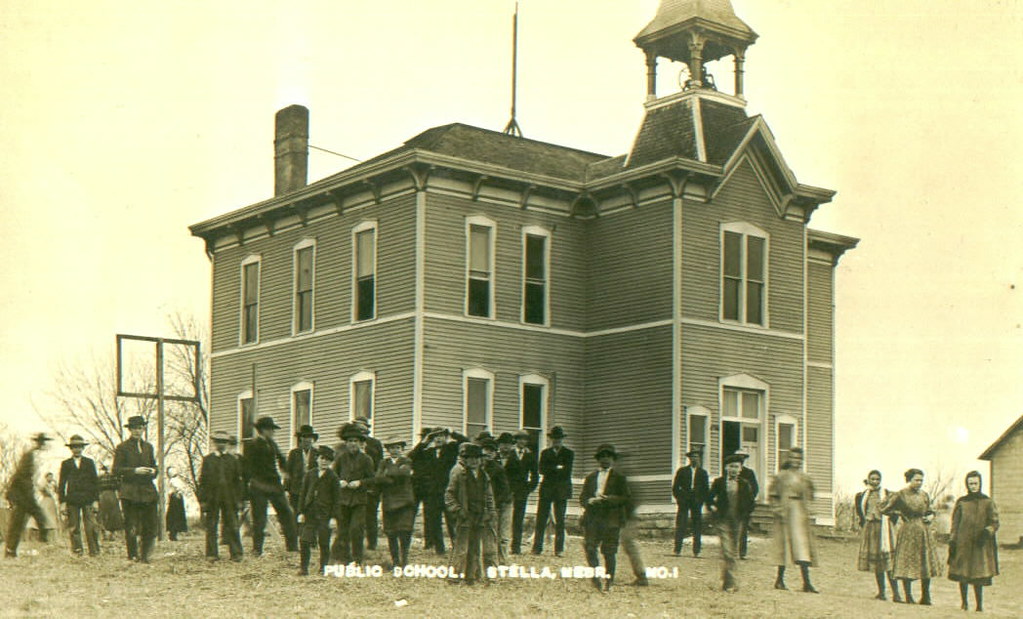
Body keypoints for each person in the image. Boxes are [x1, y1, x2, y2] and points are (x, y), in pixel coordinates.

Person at [881, 468, 941, 605]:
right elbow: (883, 508)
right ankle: (908, 596)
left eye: (921, 480)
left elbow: (930, 510)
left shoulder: (924, 495)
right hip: (908, 531)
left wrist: (930, 516)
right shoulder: (901, 494)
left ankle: (926, 596)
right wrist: (898, 512)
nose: (919, 483)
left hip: (923, 530)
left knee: (925, 561)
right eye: (916, 480)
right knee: (907, 562)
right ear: (909, 480)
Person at [242, 415, 299, 556]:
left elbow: (281, 459)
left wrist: (286, 471)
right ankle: (257, 549)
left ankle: (292, 547)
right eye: (271, 429)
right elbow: (246, 467)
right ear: (263, 430)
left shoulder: (272, 444)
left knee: (287, 513)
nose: (273, 432)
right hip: (259, 485)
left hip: (274, 484)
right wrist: (249, 484)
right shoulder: (252, 445)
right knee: (259, 518)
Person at [580, 444, 630, 592]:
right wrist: (588, 501)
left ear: (613, 459)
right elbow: (583, 497)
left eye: (608, 456)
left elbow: (625, 497)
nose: (605, 459)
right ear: (598, 459)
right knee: (590, 547)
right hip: (593, 516)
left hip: (611, 518)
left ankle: (609, 581)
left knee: (609, 551)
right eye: (602, 456)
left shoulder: (619, 477)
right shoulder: (591, 477)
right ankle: (596, 579)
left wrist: (608, 499)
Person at [410, 427, 467, 554]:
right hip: (432, 493)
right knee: (434, 522)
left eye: (441, 436)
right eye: (436, 436)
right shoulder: (427, 451)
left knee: (452, 521)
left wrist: (453, 433)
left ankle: (457, 547)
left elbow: (466, 442)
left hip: (449, 492)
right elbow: (411, 457)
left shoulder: (452, 448)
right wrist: (424, 442)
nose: (438, 438)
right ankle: (439, 550)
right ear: (432, 438)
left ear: (446, 437)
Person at [947, 471, 999, 612]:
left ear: (980, 483)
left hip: (980, 544)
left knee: (978, 575)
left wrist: (987, 532)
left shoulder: (988, 502)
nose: (973, 486)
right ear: (967, 485)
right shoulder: (962, 502)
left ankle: (979, 605)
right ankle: (964, 603)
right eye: (971, 484)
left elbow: (995, 522)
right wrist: (952, 541)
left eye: (976, 483)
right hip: (963, 543)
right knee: (962, 573)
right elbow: (955, 523)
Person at [769, 447, 818, 593]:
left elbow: (811, 494)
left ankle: (806, 583)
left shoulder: (805, 477)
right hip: (785, 512)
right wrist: (777, 509)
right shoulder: (781, 476)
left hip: (800, 513)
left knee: (802, 547)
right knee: (784, 546)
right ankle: (779, 580)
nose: (796, 461)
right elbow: (772, 495)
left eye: (799, 459)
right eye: (793, 458)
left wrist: (809, 507)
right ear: (788, 459)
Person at [445, 442, 496, 585]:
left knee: (475, 548)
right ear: (465, 460)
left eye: (477, 458)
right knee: (461, 548)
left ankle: (471, 576)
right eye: (470, 458)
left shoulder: (484, 476)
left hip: (480, 515)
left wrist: (490, 512)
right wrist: (458, 510)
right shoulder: (460, 475)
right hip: (465, 516)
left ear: (481, 460)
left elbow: (489, 496)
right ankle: (454, 576)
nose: (474, 461)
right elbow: (449, 495)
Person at [112, 416, 159, 563]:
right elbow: (116, 470)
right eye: (134, 428)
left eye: (140, 428)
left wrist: (153, 471)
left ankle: (145, 555)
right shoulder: (122, 448)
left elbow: (154, 465)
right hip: (130, 491)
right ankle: (132, 554)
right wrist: (134, 471)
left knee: (149, 524)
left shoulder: (148, 447)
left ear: (143, 429)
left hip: (147, 491)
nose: (138, 431)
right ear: (130, 430)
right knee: (131, 524)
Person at [708, 454, 756, 592]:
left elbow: (751, 503)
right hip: (723, 520)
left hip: (737, 521)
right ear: (726, 468)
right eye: (731, 466)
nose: (733, 469)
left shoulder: (744, 484)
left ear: (740, 469)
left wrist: (745, 514)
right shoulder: (719, 482)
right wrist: (712, 507)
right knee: (728, 552)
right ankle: (732, 583)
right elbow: (709, 498)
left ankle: (726, 581)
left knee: (732, 551)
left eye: (736, 467)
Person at [330, 423, 375, 565]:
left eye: (355, 441)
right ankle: (343, 557)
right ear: (346, 443)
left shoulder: (366, 459)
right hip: (343, 500)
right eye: (350, 441)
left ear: (361, 443)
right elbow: (333, 476)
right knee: (342, 530)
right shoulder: (341, 458)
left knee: (356, 529)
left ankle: (357, 558)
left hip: (359, 500)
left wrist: (360, 483)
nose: (352, 444)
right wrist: (340, 482)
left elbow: (372, 480)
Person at [4, 433, 53, 557]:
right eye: (42, 442)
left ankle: (11, 551)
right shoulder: (29, 456)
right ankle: (43, 537)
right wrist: (25, 495)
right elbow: (21, 476)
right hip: (22, 494)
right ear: (38, 443)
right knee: (22, 521)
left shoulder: (34, 456)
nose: (44, 445)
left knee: (19, 523)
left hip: (24, 494)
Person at [198, 430, 245, 562]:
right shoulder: (208, 460)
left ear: (227, 443)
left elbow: (238, 482)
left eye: (224, 442)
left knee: (232, 524)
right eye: (218, 441)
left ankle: (236, 553)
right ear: (214, 442)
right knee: (212, 525)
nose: (221, 444)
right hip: (213, 497)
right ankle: (212, 553)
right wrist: (203, 500)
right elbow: (203, 481)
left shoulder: (233, 460)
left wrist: (240, 499)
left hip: (230, 497)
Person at [855, 470, 900, 601]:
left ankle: (896, 593)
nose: (875, 482)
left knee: (889, 562)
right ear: (868, 480)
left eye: (877, 479)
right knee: (877, 562)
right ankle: (882, 592)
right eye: (873, 479)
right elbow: (860, 512)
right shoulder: (862, 495)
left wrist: (889, 523)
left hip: (884, 528)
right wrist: (866, 524)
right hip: (871, 528)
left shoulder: (887, 494)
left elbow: (895, 511)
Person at [297, 446, 340, 576]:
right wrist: (301, 512)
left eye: (328, 459)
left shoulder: (333, 477)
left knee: (324, 541)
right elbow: (303, 493)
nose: (324, 462)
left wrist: (333, 517)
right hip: (310, 512)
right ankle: (304, 568)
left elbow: (337, 499)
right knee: (304, 540)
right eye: (322, 458)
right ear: (317, 459)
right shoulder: (310, 474)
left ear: (331, 462)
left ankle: (323, 568)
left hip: (325, 514)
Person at [532, 426, 573, 556]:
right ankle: (537, 548)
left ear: (562, 439)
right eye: (554, 439)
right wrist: (557, 468)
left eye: (559, 439)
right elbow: (541, 470)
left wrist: (552, 469)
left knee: (560, 519)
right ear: (551, 439)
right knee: (541, 518)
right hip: (547, 489)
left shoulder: (568, 453)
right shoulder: (545, 453)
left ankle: (559, 549)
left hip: (561, 490)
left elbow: (567, 472)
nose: (557, 441)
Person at [57, 435, 100, 557]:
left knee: (91, 526)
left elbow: (95, 482)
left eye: (79, 447)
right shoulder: (66, 464)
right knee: (74, 526)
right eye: (75, 447)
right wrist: (62, 502)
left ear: (83, 448)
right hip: (72, 500)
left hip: (88, 499)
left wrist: (96, 500)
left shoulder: (89, 463)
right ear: (71, 449)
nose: (77, 449)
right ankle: (77, 551)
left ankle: (94, 551)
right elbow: (62, 484)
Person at [376, 437, 415, 568]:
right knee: (391, 532)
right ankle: (395, 560)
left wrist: (389, 475)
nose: (395, 450)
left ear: (402, 449)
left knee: (405, 531)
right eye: (392, 448)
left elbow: (405, 473)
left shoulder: (407, 461)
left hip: (405, 501)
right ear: (388, 450)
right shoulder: (383, 462)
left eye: (398, 448)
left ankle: (404, 558)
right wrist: (391, 475)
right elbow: (378, 478)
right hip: (389, 501)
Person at [501, 429, 539, 555]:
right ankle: (502, 544)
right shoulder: (509, 454)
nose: (522, 442)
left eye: (524, 439)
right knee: (505, 517)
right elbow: (503, 472)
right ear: (515, 441)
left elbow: (535, 475)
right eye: (519, 439)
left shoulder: (530, 455)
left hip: (522, 490)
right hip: (508, 490)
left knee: (519, 518)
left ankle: (516, 546)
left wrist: (529, 488)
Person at [354, 416, 384, 552]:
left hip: (371, 485)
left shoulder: (375, 444)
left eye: (362, 428)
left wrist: (375, 483)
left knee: (371, 515)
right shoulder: (351, 444)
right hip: (355, 485)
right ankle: (355, 542)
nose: (360, 431)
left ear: (367, 429)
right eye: (357, 428)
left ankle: (372, 543)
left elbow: (380, 464)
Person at [672, 449, 709, 557]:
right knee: (681, 524)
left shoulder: (703, 473)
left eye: (697, 457)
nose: (695, 459)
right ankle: (677, 550)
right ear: (689, 459)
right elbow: (675, 487)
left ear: (699, 459)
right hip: (684, 500)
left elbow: (705, 489)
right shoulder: (682, 471)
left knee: (697, 525)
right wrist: (679, 498)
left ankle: (696, 551)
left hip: (696, 501)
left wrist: (701, 500)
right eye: (692, 457)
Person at [481, 438, 512, 565]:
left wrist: (495, 506)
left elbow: (504, 491)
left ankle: (503, 560)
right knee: (490, 532)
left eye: (492, 451)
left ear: (495, 453)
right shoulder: (478, 467)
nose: (488, 453)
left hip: (503, 503)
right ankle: (491, 559)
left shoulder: (498, 469)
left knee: (502, 534)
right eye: (486, 450)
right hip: (489, 504)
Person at [286, 425, 318, 515]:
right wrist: (286, 489)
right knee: (295, 514)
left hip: (311, 490)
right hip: (296, 490)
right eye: (304, 437)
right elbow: (288, 472)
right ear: (300, 439)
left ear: (313, 439)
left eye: (309, 437)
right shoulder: (294, 453)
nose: (307, 440)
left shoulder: (317, 453)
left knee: (310, 514)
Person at [735, 451, 758, 559]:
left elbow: (755, 488)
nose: (741, 459)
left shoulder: (749, 473)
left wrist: (749, 500)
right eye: (739, 457)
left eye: (743, 458)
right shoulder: (731, 471)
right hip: (732, 503)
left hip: (743, 505)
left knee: (743, 530)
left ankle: (742, 552)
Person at [96, 462, 123, 541]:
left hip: (108, 495)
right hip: (109, 496)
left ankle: (109, 534)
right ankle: (107, 533)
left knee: (109, 515)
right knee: (106, 515)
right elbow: (119, 486)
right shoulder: (111, 477)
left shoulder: (102, 477)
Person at [165, 466, 188, 541]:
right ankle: (172, 534)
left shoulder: (174, 480)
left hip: (175, 498)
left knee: (175, 515)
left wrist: (177, 492)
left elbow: (178, 488)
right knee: (173, 516)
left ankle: (174, 533)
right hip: (174, 497)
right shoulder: (173, 480)